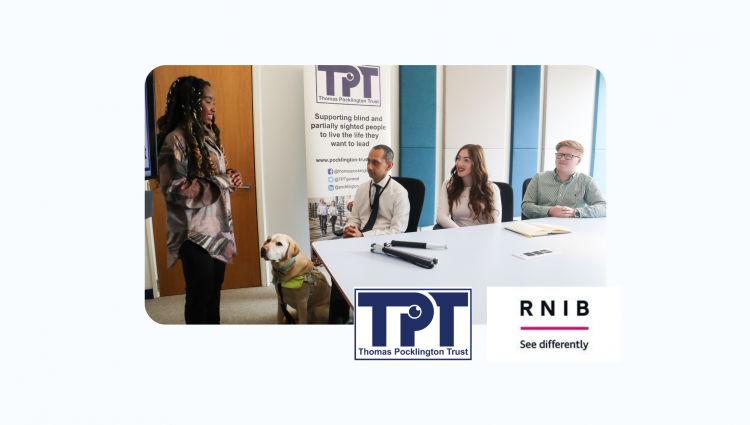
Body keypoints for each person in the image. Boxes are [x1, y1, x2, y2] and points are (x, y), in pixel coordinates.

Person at [156, 76, 243, 325]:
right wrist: (221, 181)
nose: (213, 107)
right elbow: (175, 190)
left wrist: (230, 179)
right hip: (193, 235)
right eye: (207, 101)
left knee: (214, 291)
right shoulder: (175, 140)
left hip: (217, 231)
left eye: (213, 101)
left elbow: (212, 179)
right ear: (190, 103)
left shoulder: (207, 138)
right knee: (199, 295)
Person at [521, 140, 606, 218]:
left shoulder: (587, 181)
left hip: (575, 229)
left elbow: (604, 207)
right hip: (541, 228)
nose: (562, 158)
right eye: (559, 155)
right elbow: (526, 206)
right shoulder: (539, 178)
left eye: (568, 156)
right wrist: (549, 211)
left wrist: (575, 212)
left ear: (578, 161)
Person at [343, 145, 410, 238]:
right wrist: (350, 230)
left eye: (375, 162)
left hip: (383, 241)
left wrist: (363, 236)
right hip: (357, 239)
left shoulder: (399, 193)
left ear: (389, 165)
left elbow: (397, 230)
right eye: (368, 161)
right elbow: (354, 218)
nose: (369, 167)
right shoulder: (362, 188)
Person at [436, 144, 501, 228]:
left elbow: (495, 224)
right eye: (458, 158)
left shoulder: (491, 188)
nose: (459, 164)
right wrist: (462, 234)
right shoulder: (448, 185)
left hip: (482, 238)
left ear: (477, 163)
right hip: (456, 236)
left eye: (466, 160)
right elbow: (441, 217)